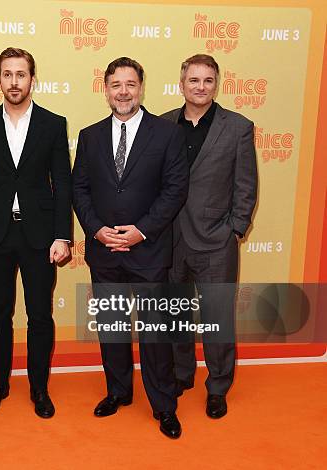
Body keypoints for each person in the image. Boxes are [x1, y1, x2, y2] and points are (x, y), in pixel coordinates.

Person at [72, 57, 189, 439]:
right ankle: (118, 392)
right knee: (112, 327)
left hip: (149, 250)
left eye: (130, 84)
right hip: (104, 250)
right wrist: (96, 230)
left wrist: (141, 231)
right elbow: (80, 190)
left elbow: (175, 191)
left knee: (155, 332)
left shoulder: (167, 134)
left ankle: (163, 405)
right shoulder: (89, 136)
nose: (123, 91)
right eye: (115, 84)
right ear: (105, 88)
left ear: (141, 87)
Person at [0, 47, 72, 419]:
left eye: (21, 74)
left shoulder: (52, 123)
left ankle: (39, 388)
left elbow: (62, 182)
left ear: (32, 78)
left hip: (40, 236)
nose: (14, 82)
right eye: (7, 74)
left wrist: (62, 235)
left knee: (40, 316)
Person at [161, 54, 257, 418]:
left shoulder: (238, 127)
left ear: (217, 84)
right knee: (175, 316)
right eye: (193, 80)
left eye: (208, 81)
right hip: (170, 241)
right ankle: (182, 374)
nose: (200, 87)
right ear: (181, 83)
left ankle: (218, 386)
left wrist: (234, 228)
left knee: (217, 319)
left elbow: (245, 185)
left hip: (216, 241)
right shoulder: (163, 124)